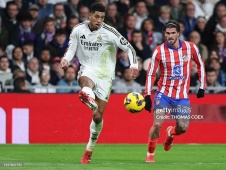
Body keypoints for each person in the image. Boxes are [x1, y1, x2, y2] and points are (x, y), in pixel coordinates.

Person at [59, 2, 138, 164]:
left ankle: (89, 150)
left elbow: (129, 48)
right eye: (96, 16)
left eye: (102, 17)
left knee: (97, 117)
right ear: (89, 15)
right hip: (87, 68)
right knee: (84, 81)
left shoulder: (110, 32)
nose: (99, 20)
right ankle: (87, 94)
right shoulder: (78, 30)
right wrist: (66, 59)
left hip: (106, 76)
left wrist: (134, 65)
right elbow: (72, 48)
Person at [143, 20, 206, 163]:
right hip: (163, 93)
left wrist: (202, 86)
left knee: (183, 128)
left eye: (172, 33)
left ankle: (170, 133)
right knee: (157, 124)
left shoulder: (190, 47)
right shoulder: (159, 50)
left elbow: (200, 65)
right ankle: (150, 153)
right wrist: (147, 95)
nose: (170, 36)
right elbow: (151, 73)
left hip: (181, 96)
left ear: (178, 33)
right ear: (164, 34)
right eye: (167, 33)